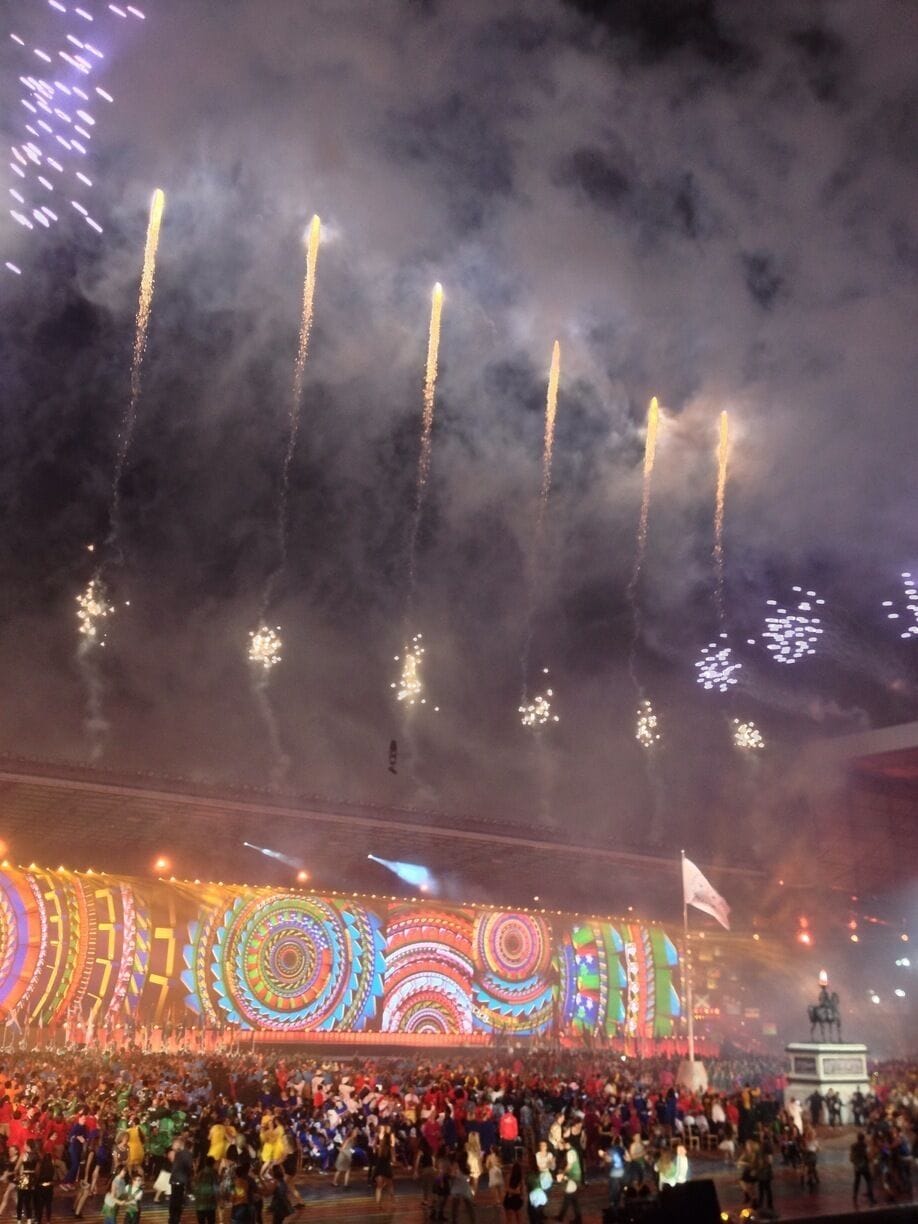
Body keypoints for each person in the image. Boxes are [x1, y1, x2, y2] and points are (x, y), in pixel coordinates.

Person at [556, 1140, 583, 1222]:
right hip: (575, 1177)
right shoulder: (573, 1150)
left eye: (560, 1144)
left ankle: (562, 1217)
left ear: (566, 1143)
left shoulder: (570, 1152)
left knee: (569, 1198)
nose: (559, 1146)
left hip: (573, 1177)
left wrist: (562, 1174)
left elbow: (569, 1166)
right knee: (572, 1199)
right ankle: (564, 1216)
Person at [168, 1139, 194, 1224]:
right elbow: (189, 1168)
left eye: (174, 1145)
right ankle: (176, 1218)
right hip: (180, 1180)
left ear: (179, 1145)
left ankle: (173, 1218)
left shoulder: (179, 1154)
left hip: (176, 1180)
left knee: (174, 1200)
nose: (172, 1147)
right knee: (177, 1201)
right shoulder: (186, 1154)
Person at [850, 1132, 876, 1207]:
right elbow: (868, 1156)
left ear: (857, 1138)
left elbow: (851, 1157)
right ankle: (871, 1197)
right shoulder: (865, 1146)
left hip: (857, 1167)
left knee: (856, 1182)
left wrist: (855, 1163)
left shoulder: (853, 1146)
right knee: (869, 1181)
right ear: (863, 1138)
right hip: (865, 1167)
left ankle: (854, 1196)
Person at [600, 1137, 626, 1210]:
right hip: (622, 1171)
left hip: (614, 1172)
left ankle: (613, 1204)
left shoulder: (610, 1150)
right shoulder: (623, 1149)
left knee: (613, 1189)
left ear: (613, 1142)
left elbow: (608, 1160)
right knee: (620, 1187)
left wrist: (603, 1156)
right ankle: (620, 1202)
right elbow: (627, 1158)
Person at [193, 1156, 219, 1224]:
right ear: (213, 1164)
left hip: (199, 1204)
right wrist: (219, 1199)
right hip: (210, 1204)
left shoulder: (200, 1173)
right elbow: (216, 1187)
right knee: (211, 1221)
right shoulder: (213, 1173)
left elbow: (194, 1186)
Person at [34, 1154, 55, 1224]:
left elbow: (37, 1175)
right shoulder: (52, 1167)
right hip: (49, 1187)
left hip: (41, 1187)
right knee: (48, 1205)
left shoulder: (41, 1165)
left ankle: (39, 1220)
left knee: (40, 1205)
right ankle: (48, 1221)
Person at [503, 1159, 524, 1224]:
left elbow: (506, 1189)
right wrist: (517, 1192)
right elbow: (521, 1191)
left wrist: (512, 1191)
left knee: (509, 1219)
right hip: (517, 1199)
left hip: (509, 1199)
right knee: (519, 1218)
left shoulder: (508, 1176)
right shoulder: (520, 1179)